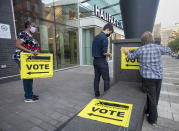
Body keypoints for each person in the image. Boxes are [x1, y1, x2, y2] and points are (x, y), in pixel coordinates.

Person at [123, 31, 171, 125]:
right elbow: (169, 50)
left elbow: (131, 57)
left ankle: (153, 118)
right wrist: (160, 44)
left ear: (143, 41)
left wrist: (127, 52)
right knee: (155, 97)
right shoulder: (158, 48)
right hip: (158, 77)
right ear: (152, 40)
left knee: (151, 97)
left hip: (147, 79)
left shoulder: (140, 50)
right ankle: (150, 111)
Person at [14, 21, 40, 102]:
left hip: (28, 59)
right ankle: (28, 97)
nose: (35, 28)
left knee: (30, 77)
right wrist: (31, 52)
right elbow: (18, 45)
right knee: (27, 77)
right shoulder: (23, 33)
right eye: (34, 26)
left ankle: (30, 94)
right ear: (28, 26)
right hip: (22, 58)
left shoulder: (30, 35)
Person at [92, 23, 114, 97]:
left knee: (97, 78)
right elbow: (104, 53)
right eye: (110, 33)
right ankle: (106, 97)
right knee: (106, 79)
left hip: (95, 61)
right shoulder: (104, 38)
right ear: (108, 30)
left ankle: (96, 94)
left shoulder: (96, 37)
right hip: (102, 61)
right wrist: (110, 54)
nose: (109, 34)